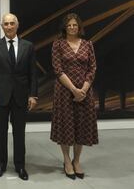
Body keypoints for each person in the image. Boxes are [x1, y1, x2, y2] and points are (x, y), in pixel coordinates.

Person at [0, 13, 38, 181]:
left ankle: (20, 165)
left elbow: (33, 74)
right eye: (6, 24)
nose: (8, 26)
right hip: (0, 96)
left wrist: (33, 95)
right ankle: (0, 164)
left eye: (11, 23)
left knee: (19, 133)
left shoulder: (28, 46)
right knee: (0, 132)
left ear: (17, 25)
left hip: (21, 96)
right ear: (2, 26)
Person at [50, 13, 97, 180]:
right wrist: (73, 90)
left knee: (81, 127)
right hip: (64, 92)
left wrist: (83, 89)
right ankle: (67, 160)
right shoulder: (58, 45)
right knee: (66, 127)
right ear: (65, 27)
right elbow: (58, 70)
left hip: (85, 93)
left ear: (79, 27)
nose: (72, 27)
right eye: (69, 25)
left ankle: (77, 161)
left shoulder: (88, 44)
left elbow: (92, 69)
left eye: (74, 25)